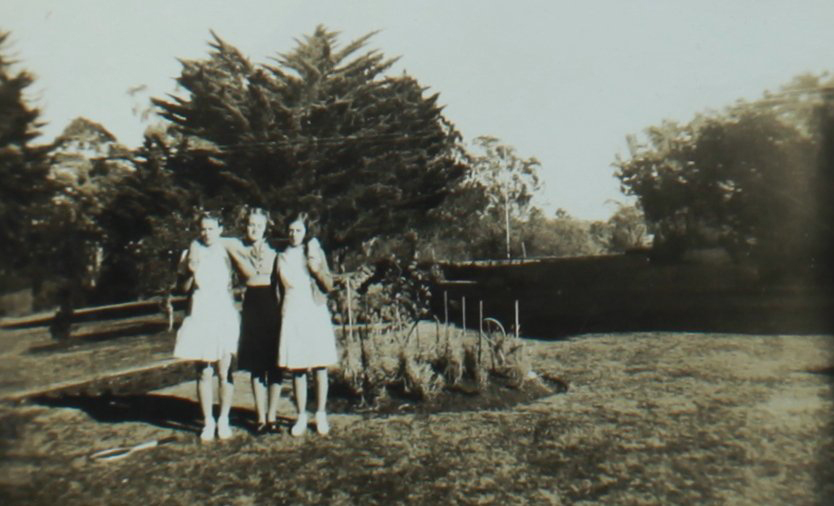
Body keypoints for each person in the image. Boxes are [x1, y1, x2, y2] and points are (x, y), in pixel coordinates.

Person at [173, 212, 240, 442]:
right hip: (201, 313)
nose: (206, 233)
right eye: (203, 229)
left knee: (225, 370)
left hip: (222, 313)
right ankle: (208, 422)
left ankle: (224, 419)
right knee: (203, 371)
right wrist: (191, 272)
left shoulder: (227, 250)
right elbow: (182, 288)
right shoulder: (189, 252)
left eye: (211, 228)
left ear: (220, 229)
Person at [275, 213, 338, 436]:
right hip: (292, 313)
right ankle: (301, 416)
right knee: (298, 368)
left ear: (306, 232)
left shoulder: (313, 250)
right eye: (291, 230)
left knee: (319, 366)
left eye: (299, 230)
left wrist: (316, 269)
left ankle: (320, 414)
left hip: (313, 311)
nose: (294, 235)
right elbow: (278, 291)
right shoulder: (281, 256)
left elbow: (329, 284)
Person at [223, 208, 284, 434]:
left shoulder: (277, 246)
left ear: (266, 227)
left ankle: (272, 416)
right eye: (250, 224)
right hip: (251, 306)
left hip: (273, 304)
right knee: (257, 367)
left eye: (259, 225)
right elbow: (209, 238)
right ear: (244, 225)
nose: (254, 229)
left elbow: (304, 241)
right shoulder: (236, 245)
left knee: (275, 365)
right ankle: (260, 418)